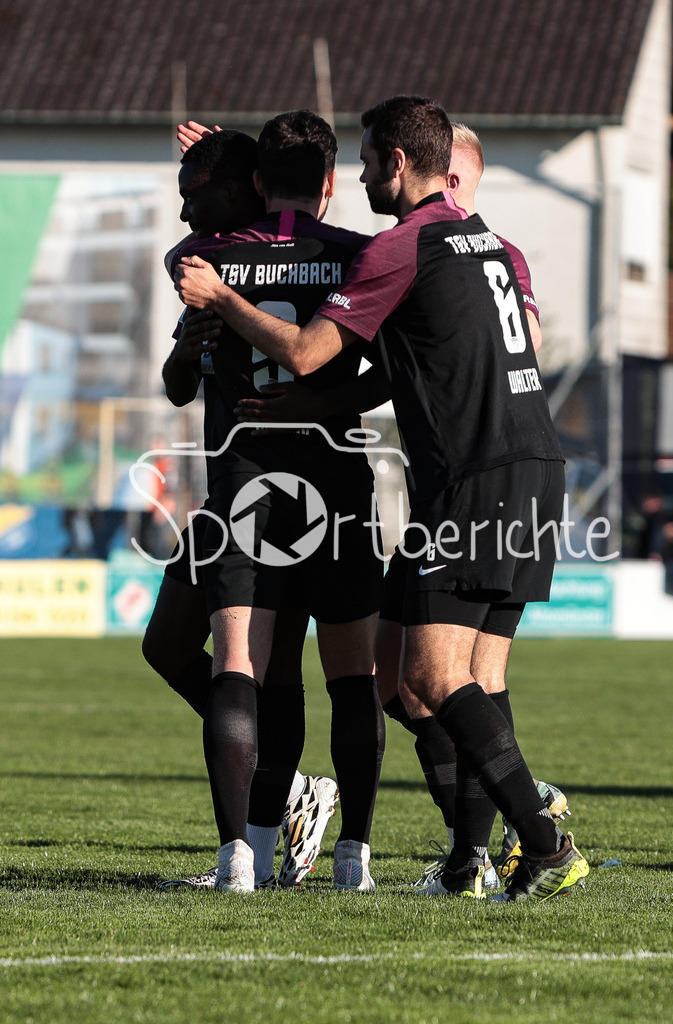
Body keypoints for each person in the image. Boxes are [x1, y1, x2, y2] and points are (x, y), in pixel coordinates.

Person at [174, 94, 590, 903]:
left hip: (472, 479)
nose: (359, 175)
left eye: (366, 161)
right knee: (443, 677)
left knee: (428, 678)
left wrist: (222, 300)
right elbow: (400, 370)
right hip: (534, 465)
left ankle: (541, 837)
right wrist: (310, 409)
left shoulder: (402, 247)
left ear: (398, 162)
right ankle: (469, 864)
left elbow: (301, 349)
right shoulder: (491, 246)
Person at [170, 110, 386, 894]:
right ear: (332, 183)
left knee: (241, 666)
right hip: (338, 481)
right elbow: (394, 371)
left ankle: (239, 861)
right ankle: (354, 860)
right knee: (350, 677)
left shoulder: (202, 257)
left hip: (247, 480)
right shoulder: (366, 258)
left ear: (254, 182)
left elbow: (204, 254)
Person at [143, 129, 339, 890]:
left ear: (250, 185)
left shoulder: (219, 262)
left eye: (199, 190)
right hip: (230, 487)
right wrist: (186, 353)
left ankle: (260, 836)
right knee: (166, 648)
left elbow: (295, 168)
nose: (186, 206)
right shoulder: (210, 262)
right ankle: (294, 794)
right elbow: (177, 385)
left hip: (294, 492)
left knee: (269, 669)